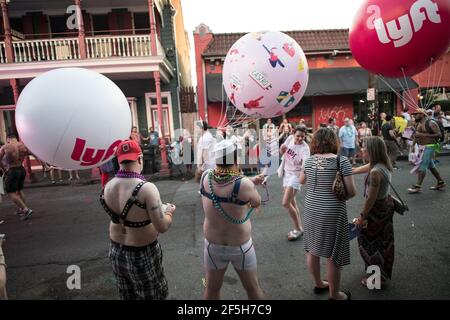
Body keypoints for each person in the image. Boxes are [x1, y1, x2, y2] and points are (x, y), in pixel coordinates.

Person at [101, 140, 176, 300]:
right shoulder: (146, 188)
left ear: (119, 160)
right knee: (152, 295)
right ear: (140, 158)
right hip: (142, 253)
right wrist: (169, 211)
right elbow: (162, 226)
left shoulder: (108, 187)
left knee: (127, 295)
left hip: (116, 251)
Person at [200, 139, 266, 299]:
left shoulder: (206, 177)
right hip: (240, 247)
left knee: (211, 290)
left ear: (216, 160)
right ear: (236, 160)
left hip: (212, 246)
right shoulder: (243, 185)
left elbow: (224, 187)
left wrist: (249, 181)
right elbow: (256, 202)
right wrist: (250, 183)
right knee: (252, 289)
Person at [299, 128, 356, 300]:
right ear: (333, 142)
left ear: (315, 142)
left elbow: (301, 180)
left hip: (310, 209)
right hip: (332, 211)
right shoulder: (341, 161)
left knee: (312, 249)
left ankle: (319, 283)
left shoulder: (308, 161)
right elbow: (352, 191)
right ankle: (334, 294)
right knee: (334, 254)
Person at [353, 137, 395, 288]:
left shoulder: (376, 172)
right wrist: (348, 170)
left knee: (371, 244)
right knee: (381, 242)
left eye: (364, 148)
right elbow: (361, 168)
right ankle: (377, 273)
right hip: (385, 207)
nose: (361, 150)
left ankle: (377, 280)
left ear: (372, 151)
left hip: (376, 212)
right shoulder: (381, 164)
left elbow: (370, 199)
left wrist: (361, 217)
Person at [280, 126, 310, 241]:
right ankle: (299, 227)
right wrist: (282, 150)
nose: (300, 138)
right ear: (293, 134)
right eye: (298, 135)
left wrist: (302, 179)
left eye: (302, 136)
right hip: (287, 173)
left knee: (285, 203)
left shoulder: (305, 148)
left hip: (296, 176)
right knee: (292, 202)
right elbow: (282, 151)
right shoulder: (289, 139)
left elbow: (305, 165)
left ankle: (298, 229)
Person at [408, 108, 446, 193]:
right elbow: (416, 135)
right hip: (422, 147)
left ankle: (418, 187)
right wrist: (413, 145)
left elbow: (439, 135)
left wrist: (422, 134)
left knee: (422, 166)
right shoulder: (419, 124)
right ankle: (441, 182)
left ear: (422, 114)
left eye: (416, 114)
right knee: (431, 167)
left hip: (430, 146)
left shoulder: (431, 123)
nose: (414, 116)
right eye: (414, 114)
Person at [0, 134, 33, 220]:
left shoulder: (5, 147)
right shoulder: (23, 146)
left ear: (8, 139)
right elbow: (34, 153)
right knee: (19, 190)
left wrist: (4, 169)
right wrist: (44, 164)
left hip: (12, 170)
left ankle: (26, 209)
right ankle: (22, 209)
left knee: (11, 192)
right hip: (21, 170)